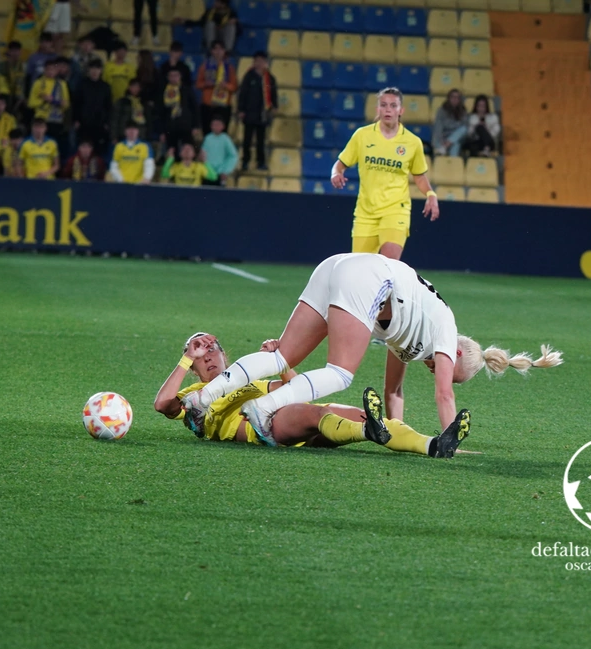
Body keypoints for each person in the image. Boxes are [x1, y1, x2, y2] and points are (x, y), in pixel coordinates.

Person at [180, 252, 562, 447]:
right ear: (457, 354)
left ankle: (204, 399)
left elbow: (394, 392)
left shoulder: (412, 343)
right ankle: (262, 411)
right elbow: (444, 394)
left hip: (336, 266)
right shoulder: (447, 329)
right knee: (341, 373)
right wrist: (450, 440)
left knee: (282, 356)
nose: (436, 368)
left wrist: (402, 433)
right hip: (369, 279)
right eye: (441, 365)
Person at [155, 333, 468, 456]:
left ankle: (434, 445)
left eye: (211, 349)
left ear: (226, 356)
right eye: (199, 355)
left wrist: (282, 363)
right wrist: (184, 359)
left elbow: (293, 390)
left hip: (285, 421)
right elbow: (162, 405)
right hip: (259, 430)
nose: (207, 356)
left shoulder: (251, 383)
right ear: (194, 369)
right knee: (321, 415)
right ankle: (367, 430)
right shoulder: (195, 395)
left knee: (358, 416)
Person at [331, 87, 438, 259]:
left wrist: (430, 194)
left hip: (396, 210)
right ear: (377, 109)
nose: (388, 109)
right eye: (384, 105)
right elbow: (340, 164)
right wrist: (335, 173)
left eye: (393, 106)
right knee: (360, 270)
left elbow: (419, 175)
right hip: (365, 212)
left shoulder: (412, 142)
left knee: (387, 265)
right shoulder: (362, 136)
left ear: (401, 110)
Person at [237, 50, 277, 172]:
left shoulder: (269, 78)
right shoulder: (248, 76)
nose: (259, 64)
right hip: (249, 113)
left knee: (261, 140)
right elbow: (242, 94)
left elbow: (274, 94)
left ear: (266, 63)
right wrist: (241, 109)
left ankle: (261, 162)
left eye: (262, 61)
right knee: (247, 140)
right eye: (257, 61)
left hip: (263, 114)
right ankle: (245, 162)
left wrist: (274, 106)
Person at [28, 58, 70, 154]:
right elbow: (31, 103)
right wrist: (43, 100)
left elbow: (67, 103)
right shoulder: (38, 83)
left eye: (53, 69)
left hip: (57, 119)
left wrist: (61, 103)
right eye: (48, 69)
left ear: (57, 71)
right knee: (40, 144)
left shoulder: (62, 84)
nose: (51, 72)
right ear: (44, 70)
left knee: (54, 146)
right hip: (42, 119)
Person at [72, 59, 113, 156]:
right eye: (92, 68)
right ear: (88, 70)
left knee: (99, 150)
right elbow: (76, 103)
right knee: (83, 148)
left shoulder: (105, 87)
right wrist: (76, 119)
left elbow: (108, 106)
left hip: (100, 123)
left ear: (101, 70)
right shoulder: (82, 85)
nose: (94, 71)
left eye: (97, 68)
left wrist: (107, 122)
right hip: (84, 123)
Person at [157, 68, 200, 155]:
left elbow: (195, 108)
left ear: (180, 76)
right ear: (168, 77)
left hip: (186, 125)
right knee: (172, 151)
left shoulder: (187, 89)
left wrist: (196, 126)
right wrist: (161, 131)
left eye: (176, 75)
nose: (173, 78)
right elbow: (160, 112)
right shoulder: (163, 91)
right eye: (171, 76)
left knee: (188, 150)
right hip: (170, 126)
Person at [195, 41, 236, 130]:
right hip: (208, 104)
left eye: (221, 49)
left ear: (224, 51)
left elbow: (234, 86)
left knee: (222, 134)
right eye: (215, 49)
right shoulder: (204, 67)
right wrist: (206, 84)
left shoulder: (229, 68)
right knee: (207, 132)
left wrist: (226, 85)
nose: (218, 51)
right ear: (212, 51)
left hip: (223, 105)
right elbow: (198, 84)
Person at [109, 120, 155, 184]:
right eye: (129, 129)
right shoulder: (118, 147)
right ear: (125, 131)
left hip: (139, 185)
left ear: (138, 131)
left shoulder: (145, 147)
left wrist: (146, 178)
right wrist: (121, 180)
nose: (132, 131)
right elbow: (114, 166)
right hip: (122, 185)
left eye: (134, 129)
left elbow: (149, 165)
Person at [201, 116, 238, 186]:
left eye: (218, 125)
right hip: (208, 172)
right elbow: (203, 154)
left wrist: (226, 170)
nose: (216, 127)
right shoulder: (207, 138)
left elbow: (233, 156)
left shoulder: (226, 139)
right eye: (214, 125)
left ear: (223, 126)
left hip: (220, 173)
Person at [432, 89, 467, 157]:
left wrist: (448, 142)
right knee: (455, 144)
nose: (455, 99)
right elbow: (438, 127)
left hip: (457, 137)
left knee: (464, 129)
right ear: (449, 98)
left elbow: (463, 130)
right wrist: (440, 142)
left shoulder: (463, 111)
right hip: (444, 137)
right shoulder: (442, 110)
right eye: (453, 97)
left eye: (457, 97)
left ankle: (446, 146)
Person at [0, 41, 26, 112]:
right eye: (13, 51)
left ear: (20, 52)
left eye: (17, 50)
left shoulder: (24, 66)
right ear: (9, 52)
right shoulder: (1, 66)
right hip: (5, 95)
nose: (15, 53)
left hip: (20, 97)